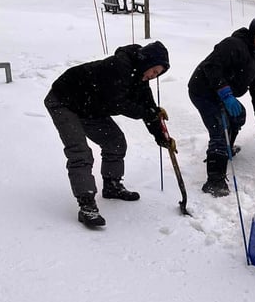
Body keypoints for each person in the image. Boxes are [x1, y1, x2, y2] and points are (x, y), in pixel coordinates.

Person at [44, 40, 174, 227]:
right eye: (153, 71)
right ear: (146, 62)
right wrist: (148, 113)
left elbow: (149, 107)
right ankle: (86, 204)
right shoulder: (119, 67)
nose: (154, 76)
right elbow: (118, 103)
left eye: (158, 74)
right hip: (64, 101)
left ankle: (112, 185)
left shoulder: (140, 78)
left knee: (115, 142)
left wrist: (161, 137)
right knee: (80, 152)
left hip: (91, 108)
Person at [188, 16, 255, 197]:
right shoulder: (233, 45)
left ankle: (226, 148)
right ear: (252, 36)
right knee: (219, 128)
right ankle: (214, 180)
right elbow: (211, 66)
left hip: (222, 95)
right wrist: (225, 93)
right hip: (203, 90)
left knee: (238, 116)